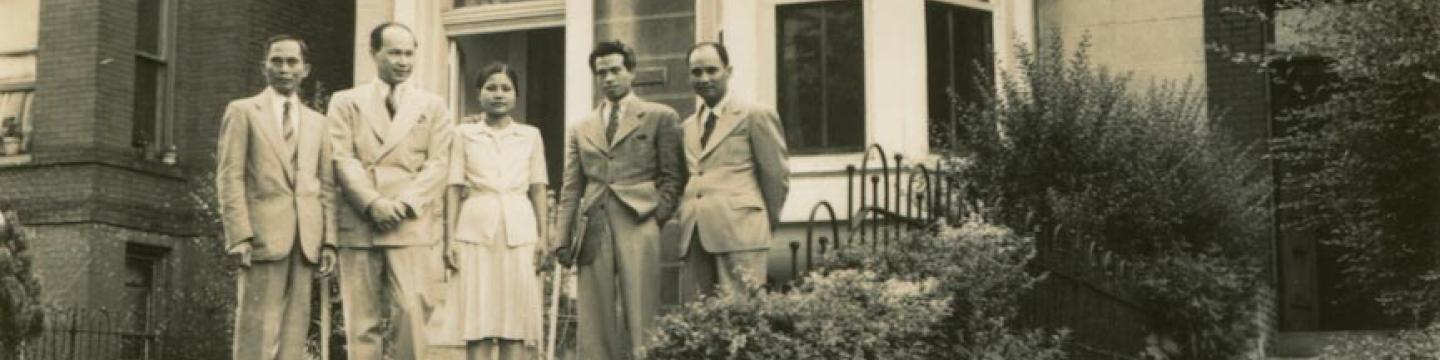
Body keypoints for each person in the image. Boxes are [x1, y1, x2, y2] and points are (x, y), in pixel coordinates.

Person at [551, 40, 685, 360]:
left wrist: (656, 218)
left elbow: (673, 176)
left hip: (639, 220)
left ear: (631, 71)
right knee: (595, 314)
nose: (609, 78)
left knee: (642, 309)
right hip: (593, 224)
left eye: (615, 70)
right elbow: (571, 187)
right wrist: (561, 239)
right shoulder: (581, 128)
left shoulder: (659, 116)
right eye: (601, 73)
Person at [327, 22, 452, 360]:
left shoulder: (433, 105)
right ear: (373, 53)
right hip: (361, 220)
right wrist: (373, 203)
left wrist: (404, 204)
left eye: (409, 53)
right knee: (361, 321)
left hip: (409, 222)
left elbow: (439, 164)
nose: (403, 61)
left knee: (412, 313)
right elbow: (341, 158)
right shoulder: (345, 101)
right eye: (394, 52)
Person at [215, 34, 337, 360]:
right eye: (277, 61)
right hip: (261, 238)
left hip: (305, 240)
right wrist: (239, 235)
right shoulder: (243, 111)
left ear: (306, 69)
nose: (284, 69)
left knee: (294, 334)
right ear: (264, 66)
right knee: (256, 330)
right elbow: (230, 175)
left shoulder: (318, 123)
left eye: (292, 62)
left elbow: (326, 185)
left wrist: (329, 241)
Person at [443, 63, 547, 360]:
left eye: (505, 88)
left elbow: (538, 186)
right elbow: (453, 186)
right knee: (478, 319)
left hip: (519, 228)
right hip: (475, 230)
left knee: (513, 320)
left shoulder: (530, 135)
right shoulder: (463, 134)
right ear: (479, 94)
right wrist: (449, 238)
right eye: (491, 87)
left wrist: (544, 237)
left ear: (516, 95)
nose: (498, 94)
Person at [677, 42, 790, 296]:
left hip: (741, 232)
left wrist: (758, 222)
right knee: (699, 322)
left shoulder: (754, 115)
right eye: (696, 72)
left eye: (711, 70)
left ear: (728, 71)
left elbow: (776, 176)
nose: (704, 78)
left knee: (742, 316)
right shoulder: (688, 126)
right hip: (695, 233)